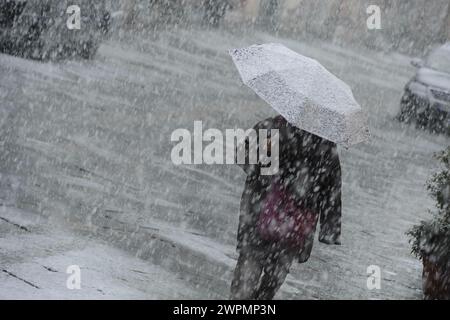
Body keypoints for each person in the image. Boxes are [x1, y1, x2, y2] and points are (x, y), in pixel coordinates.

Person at [230, 115, 342, 300]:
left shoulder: (323, 144)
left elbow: (331, 186)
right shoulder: (273, 128)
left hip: (288, 227)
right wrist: (263, 153)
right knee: (250, 280)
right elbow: (243, 157)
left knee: (267, 282)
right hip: (266, 222)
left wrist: (330, 227)